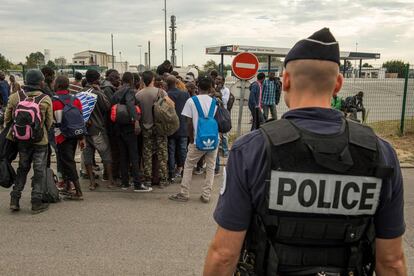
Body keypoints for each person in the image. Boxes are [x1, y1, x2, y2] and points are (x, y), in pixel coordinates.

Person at [204, 28, 407, 276]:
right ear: (338, 84)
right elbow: (392, 262)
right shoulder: (380, 152)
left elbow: (224, 255)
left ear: (286, 80)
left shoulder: (252, 149)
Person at [5, 69, 53, 214]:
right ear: (40, 82)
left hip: (21, 140)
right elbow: (49, 123)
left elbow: (7, 119)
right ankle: (36, 202)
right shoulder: (45, 99)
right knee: (39, 171)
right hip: (40, 141)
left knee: (22, 168)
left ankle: (15, 199)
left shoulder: (15, 97)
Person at [168, 75, 218, 203]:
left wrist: (191, 139)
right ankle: (206, 195)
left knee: (189, 165)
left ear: (198, 87)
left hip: (197, 140)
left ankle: (184, 193)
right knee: (211, 167)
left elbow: (188, 123)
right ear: (211, 88)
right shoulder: (215, 102)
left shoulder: (192, 101)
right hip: (213, 139)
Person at [111, 72, 150, 192]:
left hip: (118, 127)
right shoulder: (130, 91)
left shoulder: (117, 92)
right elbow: (130, 104)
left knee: (123, 156)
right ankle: (138, 184)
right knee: (134, 155)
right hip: (129, 127)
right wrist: (136, 121)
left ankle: (125, 183)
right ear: (132, 80)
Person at [81, 69, 116, 190]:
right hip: (97, 129)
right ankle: (110, 181)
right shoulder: (97, 93)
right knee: (106, 155)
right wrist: (100, 91)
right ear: (96, 80)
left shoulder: (80, 93)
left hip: (84, 131)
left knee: (88, 157)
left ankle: (92, 182)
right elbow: (107, 106)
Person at [52, 75, 85, 200]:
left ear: (58, 85)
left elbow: (51, 121)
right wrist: (82, 138)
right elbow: (81, 119)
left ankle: (78, 191)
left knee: (68, 162)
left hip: (61, 136)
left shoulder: (53, 101)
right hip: (75, 134)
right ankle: (67, 187)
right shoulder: (75, 99)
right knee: (67, 160)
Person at [136, 71, 169, 188]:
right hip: (160, 127)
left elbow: (137, 113)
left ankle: (148, 180)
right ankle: (163, 179)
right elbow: (170, 107)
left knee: (147, 154)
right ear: (153, 80)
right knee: (162, 153)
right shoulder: (162, 92)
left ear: (142, 80)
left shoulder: (138, 95)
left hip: (146, 127)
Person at [166, 75, 190, 182]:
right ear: (176, 83)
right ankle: (185, 174)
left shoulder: (166, 95)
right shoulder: (185, 94)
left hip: (171, 128)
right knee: (183, 151)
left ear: (167, 84)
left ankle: (171, 174)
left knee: (171, 151)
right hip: (183, 127)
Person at [101, 69, 121, 181]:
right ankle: (112, 174)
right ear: (112, 79)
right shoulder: (108, 89)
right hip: (110, 124)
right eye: (117, 78)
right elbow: (111, 106)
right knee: (113, 150)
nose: (119, 80)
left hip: (106, 123)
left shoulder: (105, 87)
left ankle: (110, 173)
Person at [215, 75, 230, 157]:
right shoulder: (213, 88)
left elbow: (224, 102)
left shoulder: (226, 90)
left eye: (219, 79)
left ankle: (225, 151)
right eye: (216, 79)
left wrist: (218, 94)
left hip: (222, 113)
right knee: (215, 133)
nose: (217, 80)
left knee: (224, 134)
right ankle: (216, 150)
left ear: (223, 81)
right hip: (214, 113)